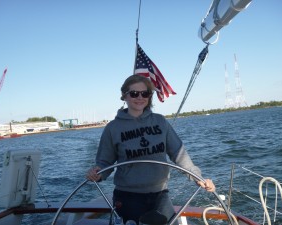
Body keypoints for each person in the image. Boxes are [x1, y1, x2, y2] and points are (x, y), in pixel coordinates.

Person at [86, 74, 215, 224]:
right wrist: (97, 173)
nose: (140, 97)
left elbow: (179, 155)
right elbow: (104, 162)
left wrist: (198, 178)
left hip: (160, 195)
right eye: (134, 93)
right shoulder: (113, 128)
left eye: (145, 93)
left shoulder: (160, 122)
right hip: (127, 196)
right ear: (124, 96)